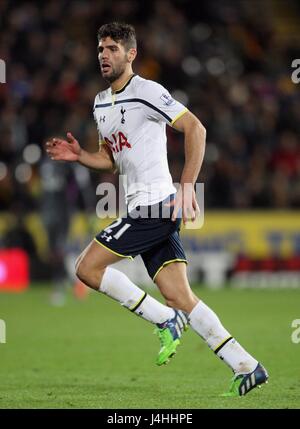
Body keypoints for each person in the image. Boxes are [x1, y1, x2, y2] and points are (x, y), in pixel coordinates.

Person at [46, 22, 268, 397]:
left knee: (86, 267)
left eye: (113, 48)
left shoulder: (148, 91)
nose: (104, 54)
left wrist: (185, 185)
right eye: (101, 48)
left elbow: (195, 129)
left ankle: (166, 321)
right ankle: (246, 364)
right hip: (143, 207)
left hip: (156, 205)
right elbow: (111, 160)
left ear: (131, 54)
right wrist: (82, 156)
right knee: (181, 296)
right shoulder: (100, 103)